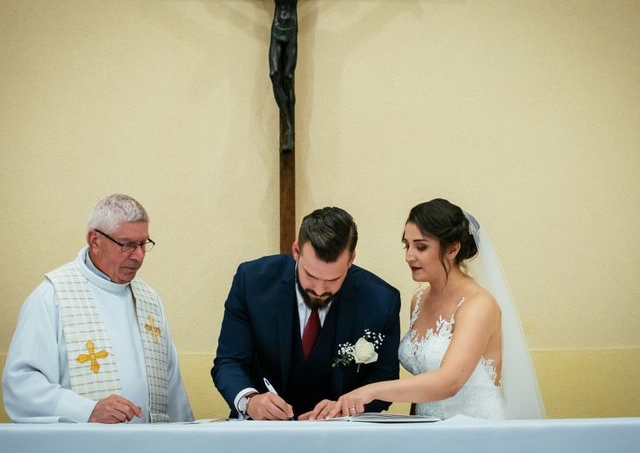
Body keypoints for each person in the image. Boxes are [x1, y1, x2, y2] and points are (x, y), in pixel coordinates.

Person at [326, 199, 546, 420]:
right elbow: (424, 384)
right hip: (430, 431)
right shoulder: (419, 300)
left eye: (421, 246)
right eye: (407, 245)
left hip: (476, 430)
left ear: (452, 249)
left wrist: (369, 391)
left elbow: (449, 382)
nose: (409, 256)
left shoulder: (478, 305)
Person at [2, 194, 193, 423]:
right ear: (94, 240)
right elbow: (22, 384)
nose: (139, 255)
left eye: (143, 244)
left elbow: (171, 386)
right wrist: (86, 410)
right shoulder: (52, 297)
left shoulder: (149, 300)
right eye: (128, 245)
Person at [212, 206, 400, 420]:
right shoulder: (252, 281)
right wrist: (250, 401)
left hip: (343, 438)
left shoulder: (381, 300)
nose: (319, 289)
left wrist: (349, 406)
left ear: (351, 260)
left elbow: (384, 378)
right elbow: (229, 362)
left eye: (332, 280)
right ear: (296, 251)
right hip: (261, 434)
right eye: (310, 275)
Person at [263, 0, 302, 153]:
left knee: (287, 77)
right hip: (277, 28)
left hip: (292, 28)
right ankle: (288, 126)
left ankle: (290, 131)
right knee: (274, 74)